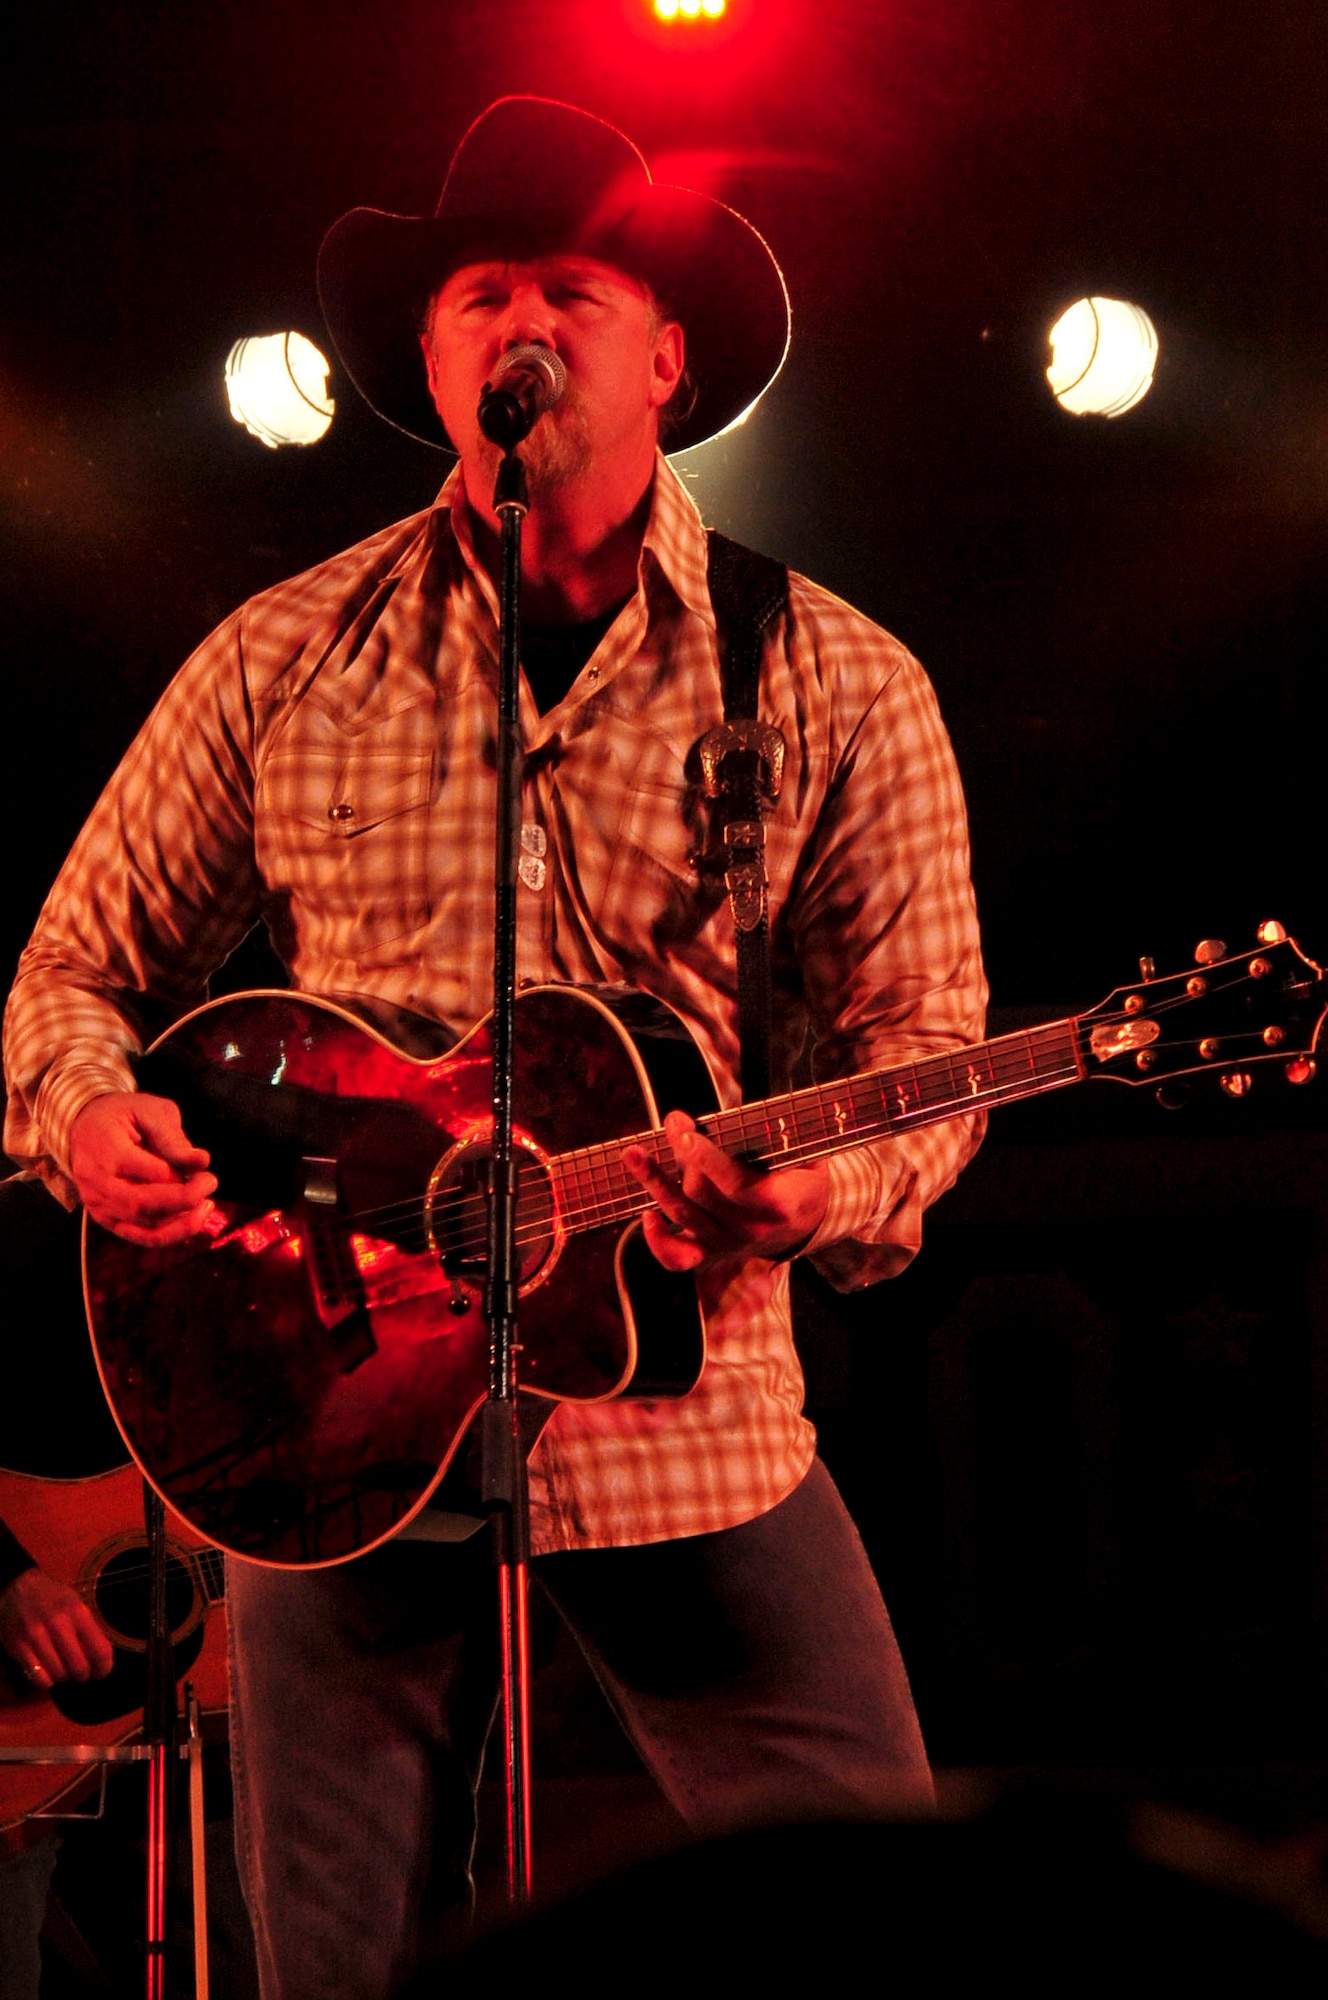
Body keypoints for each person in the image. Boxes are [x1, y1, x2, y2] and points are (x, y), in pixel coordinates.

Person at [2, 97, 987, 1997]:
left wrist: (815, 1186)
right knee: (328, 1965)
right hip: (321, 1423)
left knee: (883, 1924)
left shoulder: (831, 678)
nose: (522, 323)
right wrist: (85, 1108)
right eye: (478, 296)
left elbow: (925, 1039)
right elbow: (70, 965)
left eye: (572, 288)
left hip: (685, 1428)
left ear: (667, 353)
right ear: (434, 362)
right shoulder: (284, 656)